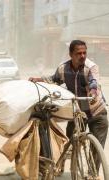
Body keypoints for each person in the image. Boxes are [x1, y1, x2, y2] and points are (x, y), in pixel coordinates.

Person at [29, 40, 108, 171]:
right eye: (78, 53)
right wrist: (39, 79)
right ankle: (61, 166)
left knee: (96, 147)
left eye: (84, 53)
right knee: (70, 141)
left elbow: (94, 81)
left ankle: (92, 174)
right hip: (78, 112)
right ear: (71, 54)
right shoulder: (63, 68)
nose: (82, 56)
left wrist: (93, 92)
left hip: (96, 111)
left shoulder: (91, 67)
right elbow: (53, 80)